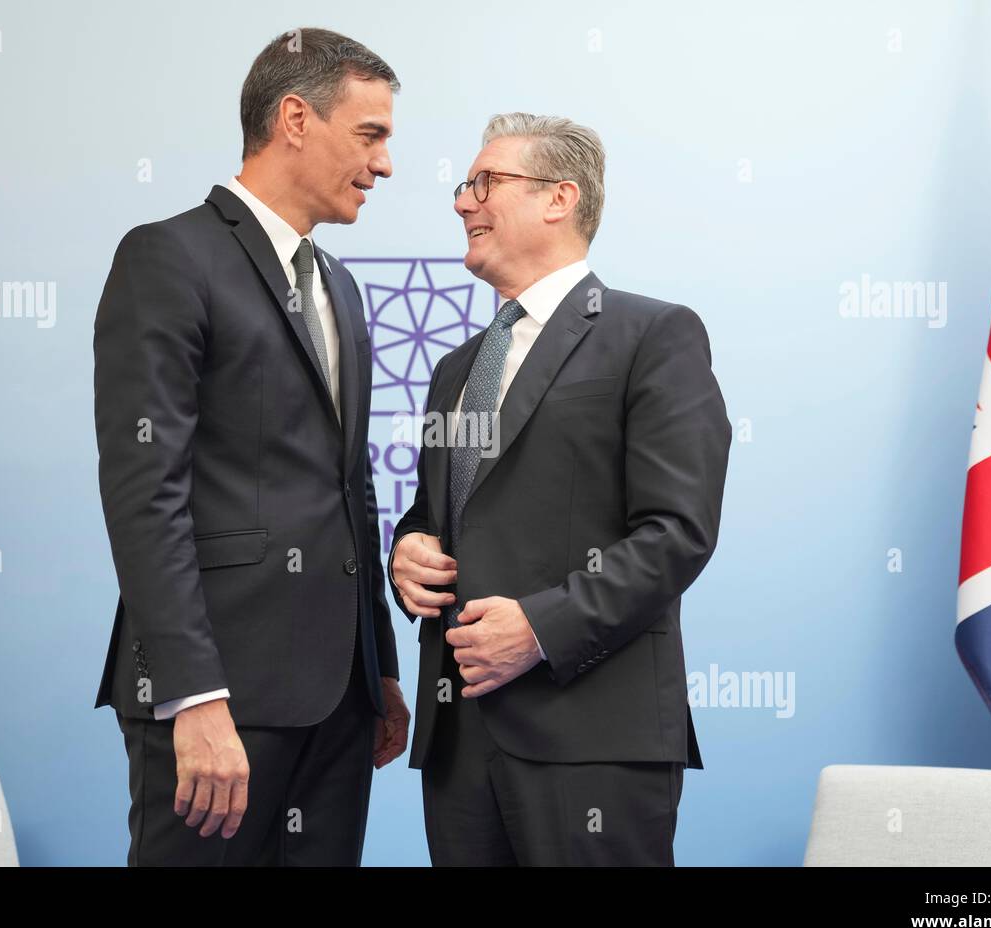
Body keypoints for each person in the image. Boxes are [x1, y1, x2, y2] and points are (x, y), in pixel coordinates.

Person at [93, 27, 409, 866]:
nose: (384, 165)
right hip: (217, 697)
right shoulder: (167, 257)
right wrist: (193, 695)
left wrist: (377, 664)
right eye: (370, 134)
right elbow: (144, 488)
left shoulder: (338, 286)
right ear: (296, 118)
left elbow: (352, 491)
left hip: (340, 701)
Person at [389, 113, 732, 865]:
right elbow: (437, 514)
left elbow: (677, 531)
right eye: (463, 185)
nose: (462, 202)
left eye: (486, 183)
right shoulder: (455, 370)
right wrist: (406, 551)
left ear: (559, 198)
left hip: (592, 741)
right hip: (458, 742)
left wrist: (541, 627)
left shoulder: (654, 336)